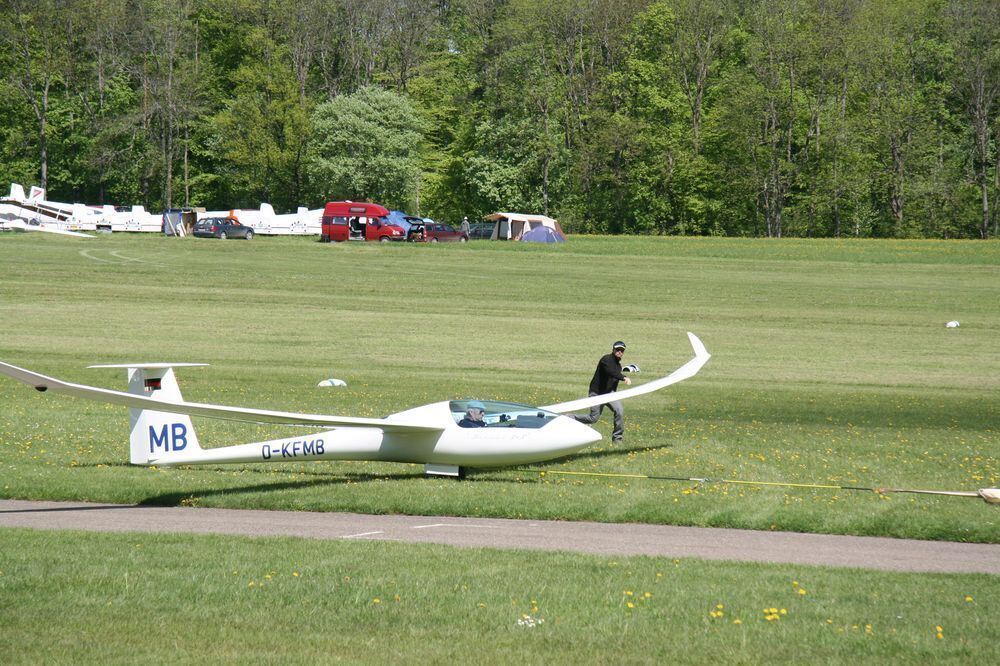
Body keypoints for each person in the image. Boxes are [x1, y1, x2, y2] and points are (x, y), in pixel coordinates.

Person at [570, 341, 631, 443]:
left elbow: (613, 380)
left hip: (609, 394)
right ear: (613, 349)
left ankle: (617, 439)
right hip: (597, 393)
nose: (619, 352)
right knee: (593, 418)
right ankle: (570, 417)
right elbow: (610, 371)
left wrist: (614, 393)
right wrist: (623, 377)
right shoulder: (606, 359)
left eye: (622, 350)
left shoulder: (618, 365)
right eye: (618, 349)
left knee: (619, 411)